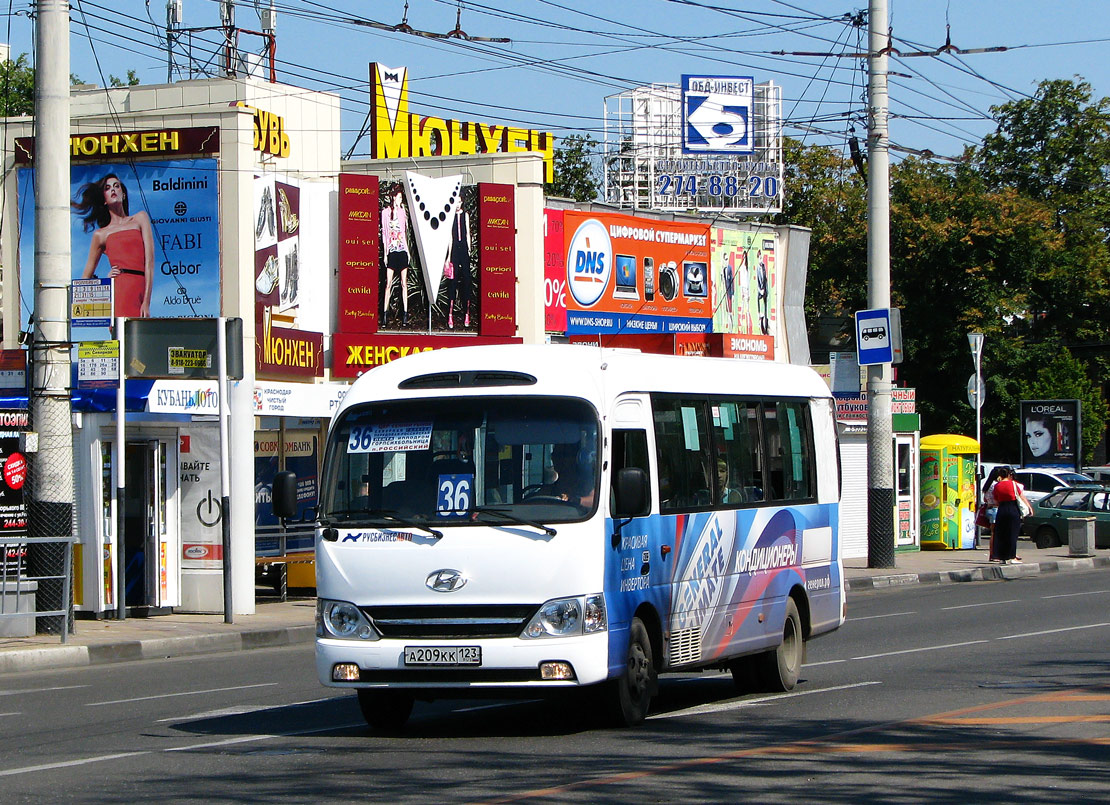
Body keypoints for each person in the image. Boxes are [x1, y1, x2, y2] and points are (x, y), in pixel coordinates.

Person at [73, 173, 155, 318]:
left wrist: (146, 302)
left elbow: (149, 262)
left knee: (140, 336)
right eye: (107, 188)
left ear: (123, 194)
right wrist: (105, 282)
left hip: (140, 287)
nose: (113, 190)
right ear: (104, 200)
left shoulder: (140, 218)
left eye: (117, 186)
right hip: (119, 291)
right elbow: (84, 279)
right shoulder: (101, 234)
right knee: (120, 337)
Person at [989, 466, 1033, 564]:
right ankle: (1012, 557)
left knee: (1002, 534)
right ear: (1009, 475)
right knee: (1012, 533)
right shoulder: (1013, 484)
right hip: (1013, 509)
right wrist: (1029, 507)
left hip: (1001, 509)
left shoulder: (997, 486)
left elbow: (996, 500)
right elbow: (1021, 496)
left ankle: (1002, 558)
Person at [381, 187, 411, 328]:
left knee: (404, 283)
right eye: (398, 198)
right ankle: (385, 314)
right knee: (388, 284)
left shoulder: (401, 212)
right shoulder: (386, 213)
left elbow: (403, 232)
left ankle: (405, 313)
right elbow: (385, 235)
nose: (400, 200)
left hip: (401, 249)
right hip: (392, 250)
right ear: (393, 198)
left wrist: (407, 251)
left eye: (401, 198)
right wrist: (386, 253)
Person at [537, 443, 595, 508]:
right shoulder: (549, 490)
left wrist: (575, 500)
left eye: (560, 455)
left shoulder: (584, 483)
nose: (555, 459)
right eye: (554, 455)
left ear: (573, 458)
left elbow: (595, 500)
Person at [444, 206, 472, 329]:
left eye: (460, 202)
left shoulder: (465, 215)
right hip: (455, 250)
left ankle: (467, 313)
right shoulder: (451, 216)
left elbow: (468, 233)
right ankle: (450, 315)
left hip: (464, 249)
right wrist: (449, 256)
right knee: (453, 282)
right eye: (456, 202)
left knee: (466, 281)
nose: (458, 204)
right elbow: (450, 237)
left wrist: (469, 250)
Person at [981, 466, 1004, 561]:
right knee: (997, 534)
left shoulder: (987, 485)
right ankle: (995, 554)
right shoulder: (996, 485)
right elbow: (998, 498)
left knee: (993, 533)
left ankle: (992, 554)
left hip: (989, 509)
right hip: (996, 509)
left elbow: (985, 499)